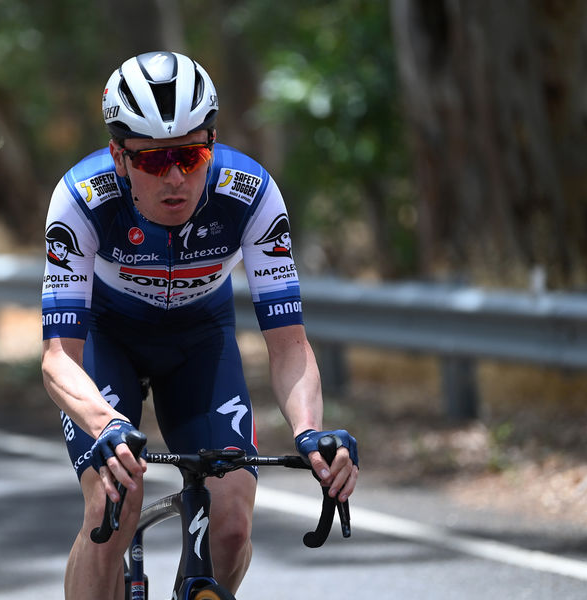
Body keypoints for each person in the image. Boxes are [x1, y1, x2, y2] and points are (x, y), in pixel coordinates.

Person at [41, 50, 359, 599]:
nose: (175, 178)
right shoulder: (81, 200)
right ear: (118, 156)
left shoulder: (251, 195)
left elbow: (288, 344)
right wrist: (105, 424)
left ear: (211, 145)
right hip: (108, 339)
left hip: (200, 342)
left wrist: (309, 431)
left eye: (191, 156)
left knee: (232, 523)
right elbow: (58, 359)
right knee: (113, 502)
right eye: (151, 161)